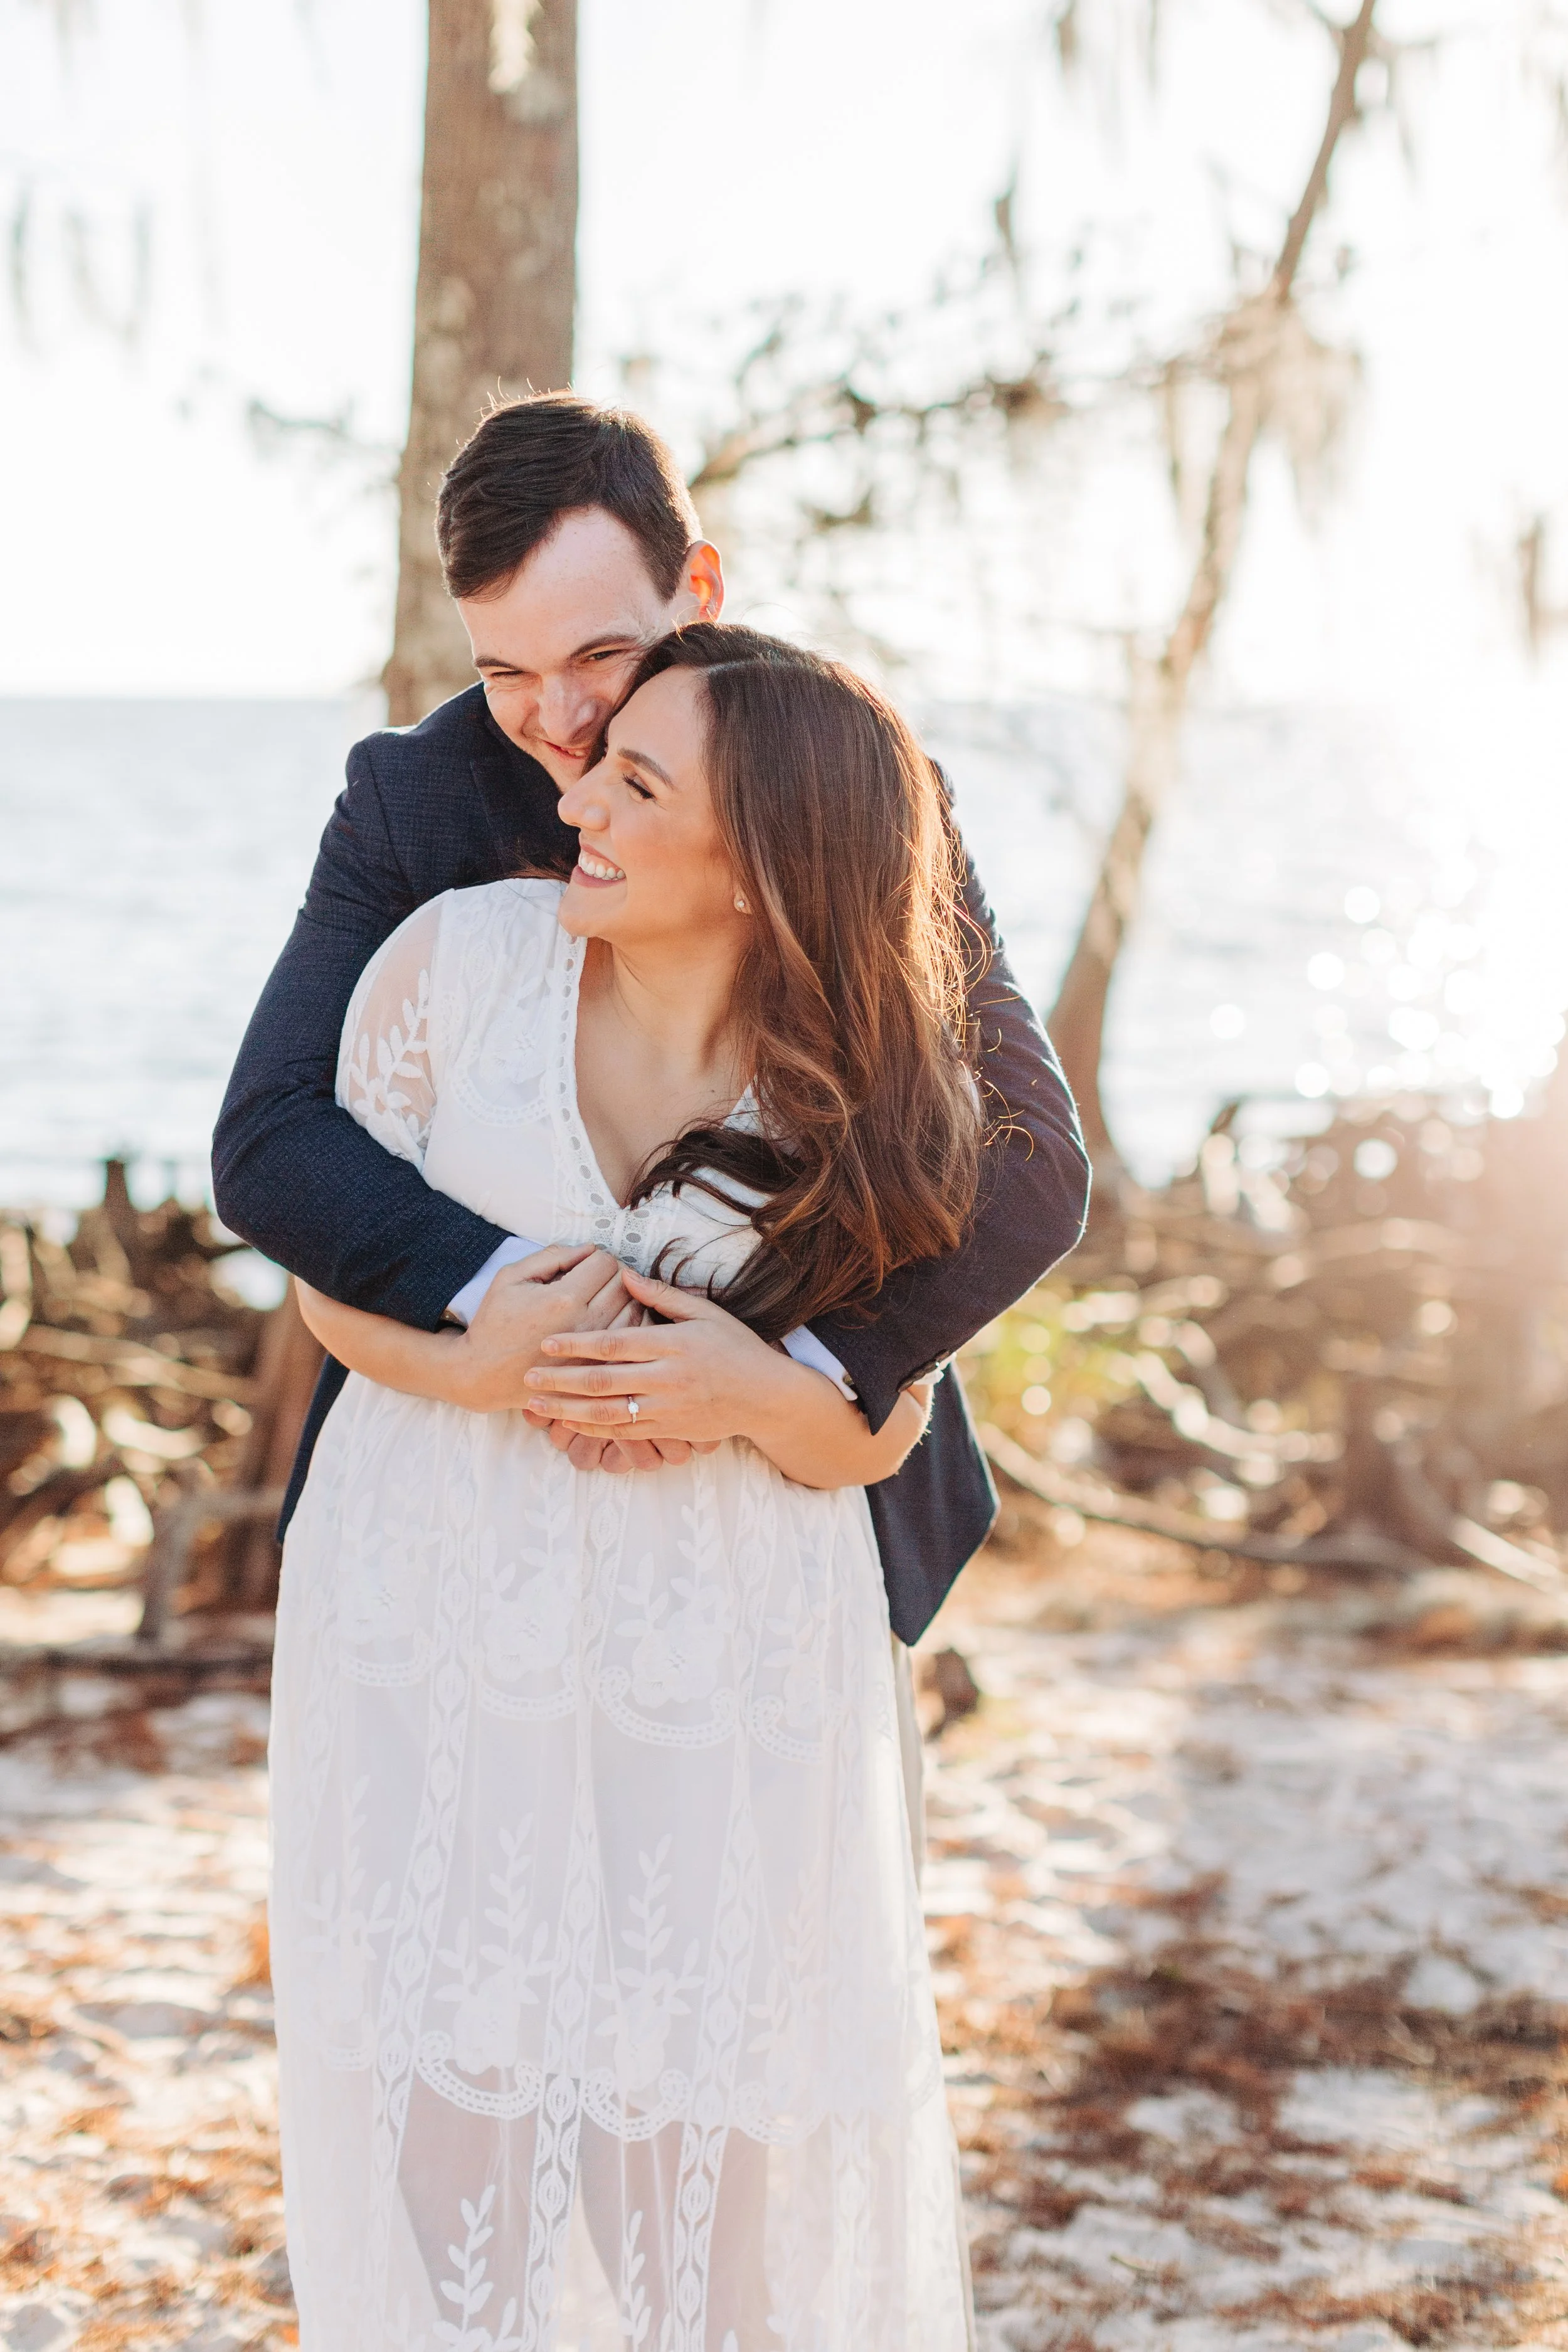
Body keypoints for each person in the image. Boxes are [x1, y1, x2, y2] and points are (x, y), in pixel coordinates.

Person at [270, 626, 990, 2345]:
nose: (574, 792)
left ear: (763, 867)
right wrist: (479, 1364)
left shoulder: (874, 1089)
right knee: (452, 2127)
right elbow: (325, 1274)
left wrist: (747, 1386)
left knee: (696, 2161)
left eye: (637, 781)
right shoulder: (448, 966)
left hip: (716, 1651)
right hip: (440, 1605)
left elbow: (871, 1428)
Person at [211, 394, 1090, 1658]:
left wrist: (781, 1373)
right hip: (455, 1522)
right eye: (505, 671)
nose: (560, 724)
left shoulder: (854, 788)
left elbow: (1031, 1161)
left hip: (782, 1519)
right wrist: (528, 1311)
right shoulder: (409, 802)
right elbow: (271, 1137)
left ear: (701, 589)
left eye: (596, 657)